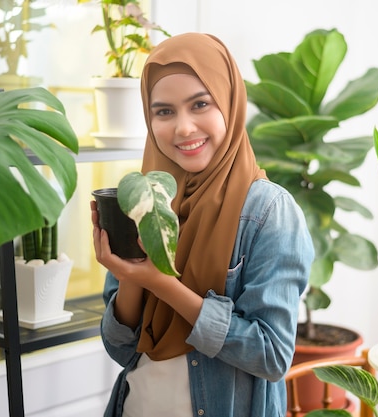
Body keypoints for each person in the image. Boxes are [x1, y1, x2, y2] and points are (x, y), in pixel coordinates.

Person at [91, 32, 314, 417]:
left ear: (229, 101)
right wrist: (129, 275)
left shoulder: (269, 211)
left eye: (200, 104)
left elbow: (272, 356)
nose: (183, 128)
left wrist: (162, 284)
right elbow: (121, 349)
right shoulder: (145, 196)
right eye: (163, 111)